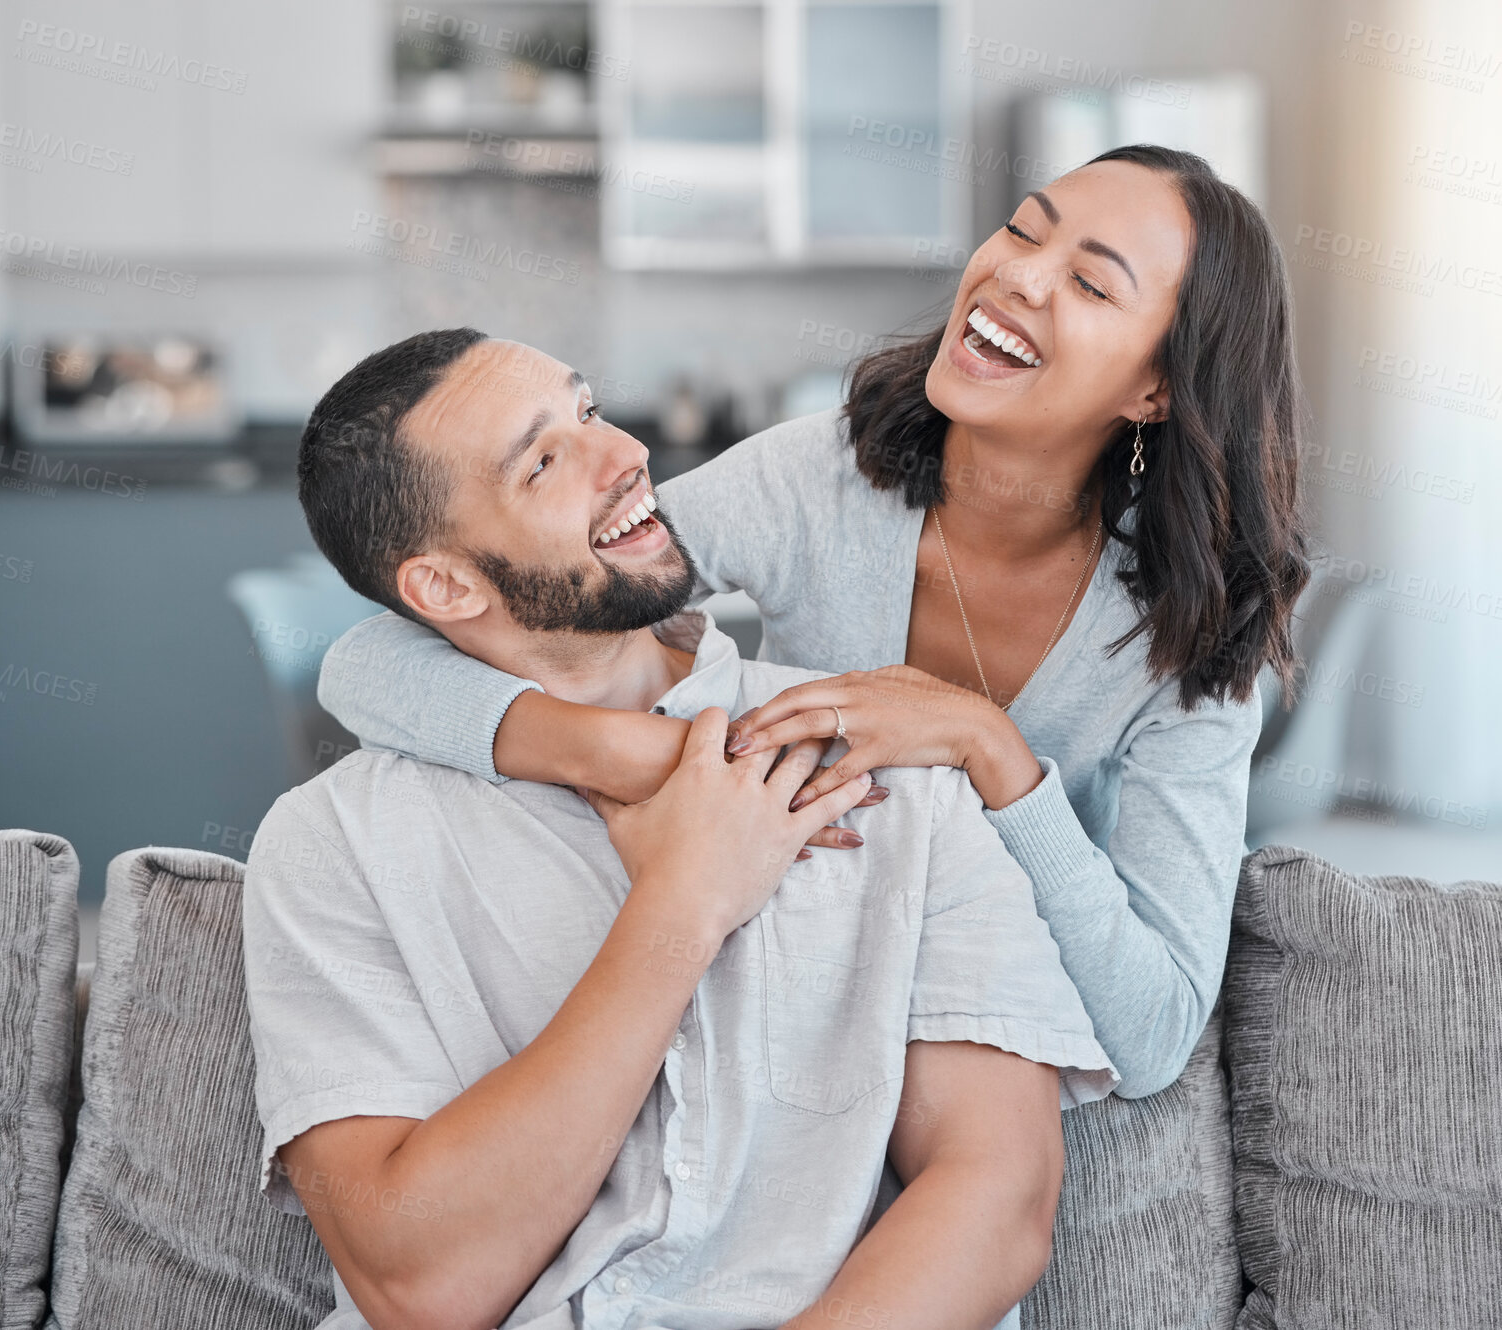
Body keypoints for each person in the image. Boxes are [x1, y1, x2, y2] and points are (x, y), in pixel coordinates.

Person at [318, 144, 1311, 1100]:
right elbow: (367, 666)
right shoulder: (820, 482)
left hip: (993, 1051)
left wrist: (989, 749)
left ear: (1157, 388)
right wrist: (624, 753)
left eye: (1091, 284)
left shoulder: (1192, 643)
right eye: (1021, 231)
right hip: (799, 1010)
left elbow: (1158, 1034)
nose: (1017, 277)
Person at [243, 329, 1118, 1330]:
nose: (623, 455)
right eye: (544, 461)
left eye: (587, 410)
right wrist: (683, 907)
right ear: (445, 587)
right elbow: (420, 1287)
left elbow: (998, 1199)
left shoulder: (882, 759)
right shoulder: (332, 844)